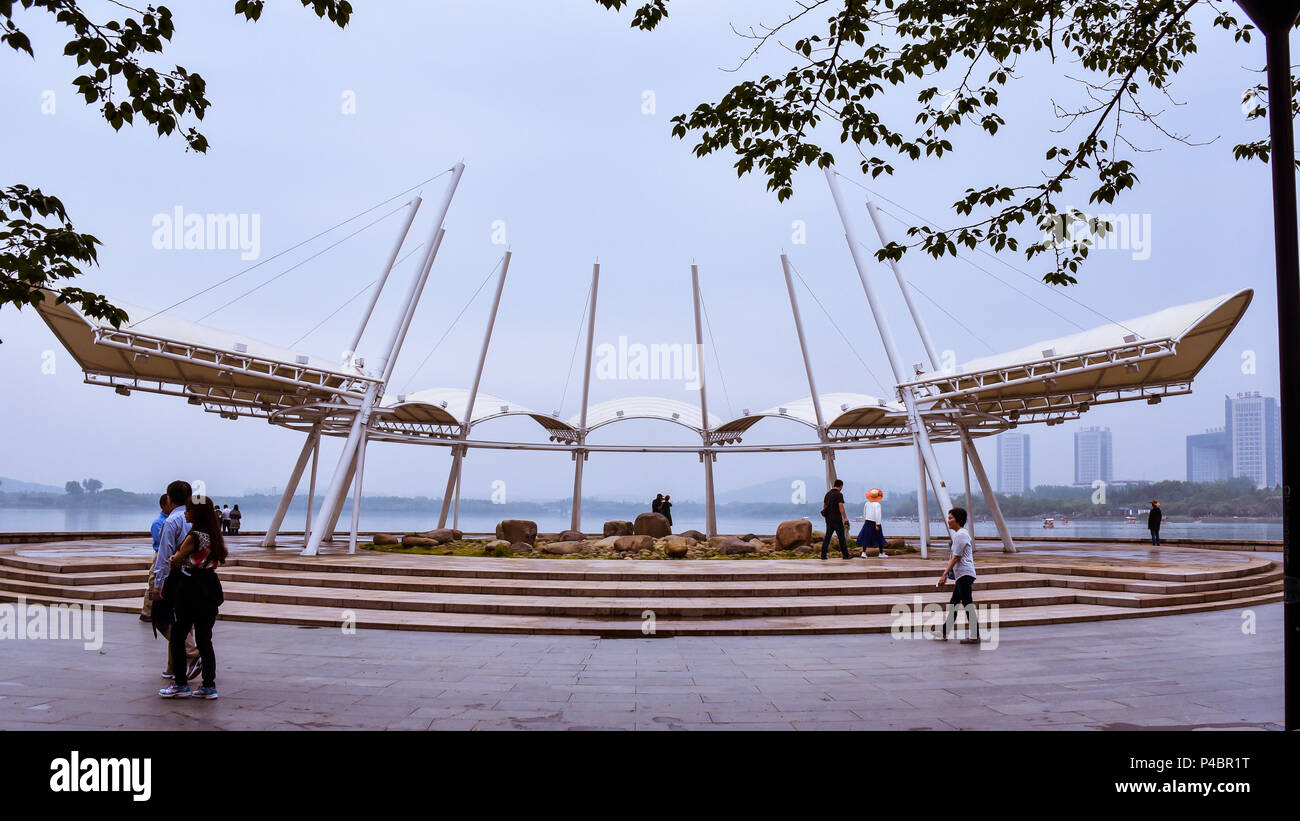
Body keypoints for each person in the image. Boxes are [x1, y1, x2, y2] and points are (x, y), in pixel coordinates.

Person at [159, 497, 227, 699]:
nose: (186, 513)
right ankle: (209, 685)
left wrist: (173, 559)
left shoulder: (194, 537)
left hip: (190, 588)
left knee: (178, 636)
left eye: (188, 510)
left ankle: (180, 683)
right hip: (210, 587)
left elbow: (175, 560)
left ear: (197, 513)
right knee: (205, 639)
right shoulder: (214, 535)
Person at [151, 480, 201, 683]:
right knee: (184, 620)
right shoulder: (195, 518)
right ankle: (174, 667)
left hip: (175, 575)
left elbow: (164, 556)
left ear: (169, 499)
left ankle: (192, 653)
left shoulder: (172, 521)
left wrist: (157, 585)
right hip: (194, 575)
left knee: (162, 619)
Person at [936, 506, 980, 644]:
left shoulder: (961, 534)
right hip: (962, 574)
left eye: (950, 518)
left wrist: (944, 575)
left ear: (958, 520)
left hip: (965, 574)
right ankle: (944, 632)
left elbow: (956, 557)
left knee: (967, 604)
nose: (948, 521)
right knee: (954, 603)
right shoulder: (959, 534)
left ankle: (975, 635)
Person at [140, 493, 170, 622]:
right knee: (153, 583)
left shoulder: (168, 520)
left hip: (167, 555)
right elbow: (162, 542)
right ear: (163, 506)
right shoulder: (158, 522)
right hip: (160, 555)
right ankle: (147, 612)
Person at [820, 479, 851, 560]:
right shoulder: (839, 494)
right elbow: (841, 506)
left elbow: (824, 506)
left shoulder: (827, 494)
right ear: (840, 486)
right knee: (841, 537)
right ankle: (845, 555)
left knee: (827, 537)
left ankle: (823, 555)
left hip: (828, 519)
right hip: (837, 519)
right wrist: (845, 518)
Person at [858, 488, 887, 558]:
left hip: (867, 522)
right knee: (880, 537)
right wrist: (877, 524)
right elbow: (878, 515)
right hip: (875, 522)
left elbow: (864, 513)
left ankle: (864, 552)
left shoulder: (867, 503)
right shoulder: (877, 504)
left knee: (866, 537)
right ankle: (881, 553)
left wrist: (865, 521)